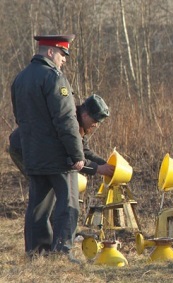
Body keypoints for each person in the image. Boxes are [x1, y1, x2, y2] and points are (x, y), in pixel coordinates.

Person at [11, 34, 85, 263]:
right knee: (69, 201)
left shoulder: (20, 79)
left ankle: (36, 253)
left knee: (38, 205)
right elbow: (66, 120)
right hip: (57, 155)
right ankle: (62, 252)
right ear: (51, 51)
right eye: (63, 55)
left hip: (32, 152)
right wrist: (76, 153)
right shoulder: (54, 78)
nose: (64, 60)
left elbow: (19, 117)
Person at [8, 94, 114, 178]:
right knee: (44, 184)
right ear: (85, 115)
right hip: (23, 147)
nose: (96, 125)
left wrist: (106, 165)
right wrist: (97, 168)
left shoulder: (79, 122)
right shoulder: (69, 124)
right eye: (95, 121)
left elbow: (83, 151)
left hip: (40, 148)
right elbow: (71, 158)